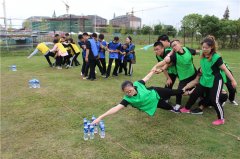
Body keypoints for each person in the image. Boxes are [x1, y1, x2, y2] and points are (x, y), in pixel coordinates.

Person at [180, 36, 237, 125]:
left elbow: (225, 69)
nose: (204, 49)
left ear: (212, 47)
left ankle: (221, 119)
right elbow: (190, 51)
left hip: (216, 79)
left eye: (207, 48)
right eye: (203, 47)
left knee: (215, 99)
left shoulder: (216, 57)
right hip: (205, 79)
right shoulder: (202, 53)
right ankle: (186, 108)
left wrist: (233, 80)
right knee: (195, 93)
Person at [91, 69, 184, 125]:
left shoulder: (137, 84)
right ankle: (172, 108)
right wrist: (100, 117)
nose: (129, 93)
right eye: (126, 92)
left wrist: (152, 71)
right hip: (153, 103)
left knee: (174, 92)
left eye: (130, 91)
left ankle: (186, 91)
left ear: (133, 87)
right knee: (167, 107)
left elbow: (146, 78)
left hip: (155, 92)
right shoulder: (127, 99)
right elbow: (116, 108)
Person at [164, 40, 199, 110]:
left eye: (175, 45)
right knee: (180, 91)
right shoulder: (174, 55)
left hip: (193, 73)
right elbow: (166, 60)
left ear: (180, 44)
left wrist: (206, 52)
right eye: (172, 46)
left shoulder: (187, 49)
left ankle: (203, 99)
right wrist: (171, 52)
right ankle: (178, 104)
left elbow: (197, 52)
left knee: (202, 87)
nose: (174, 47)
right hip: (183, 77)